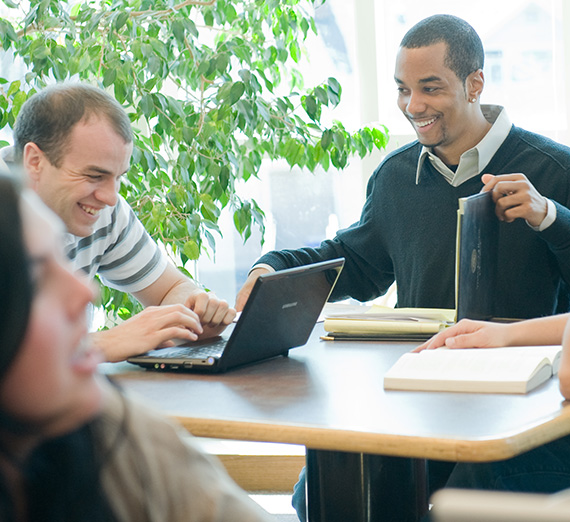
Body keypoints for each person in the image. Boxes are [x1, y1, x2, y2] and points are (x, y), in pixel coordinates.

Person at [234, 14, 570, 521]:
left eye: (429, 88)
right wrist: (272, 267)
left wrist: (551, 217)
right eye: (403, 89)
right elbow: (357, 263)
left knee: (465, 494)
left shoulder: (554, 171)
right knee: (323, 490)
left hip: (530, 406)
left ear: (475, 83)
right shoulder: (395, 177)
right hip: (424, 398)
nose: (413, 106)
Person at [0, 172, 271, 521]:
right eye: (37, 279)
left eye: (62, 260)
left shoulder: (119, 432)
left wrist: (186, 318)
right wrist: (104, 343)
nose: (86, 293)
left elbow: (174, 286)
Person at [6, 83, 236, 362]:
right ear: (34, 161)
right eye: (94, 176)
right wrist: (102, 343)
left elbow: (171, 289)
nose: (111, 198)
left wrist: (194, 314)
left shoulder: (100, 209)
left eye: (118, 177)